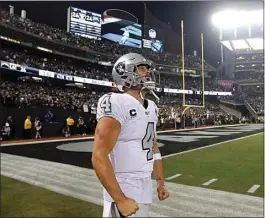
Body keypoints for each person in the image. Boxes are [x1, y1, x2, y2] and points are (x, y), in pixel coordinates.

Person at [92, 53, 169, 217]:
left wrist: (160, 182)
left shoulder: (152, 107)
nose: (147, 73)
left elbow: (153, 146)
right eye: (141, 68)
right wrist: (120, 199)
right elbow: (99, 155)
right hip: (123, 185)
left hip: (145, 184)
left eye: (147, 69)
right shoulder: (116, 102)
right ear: (124, 72)